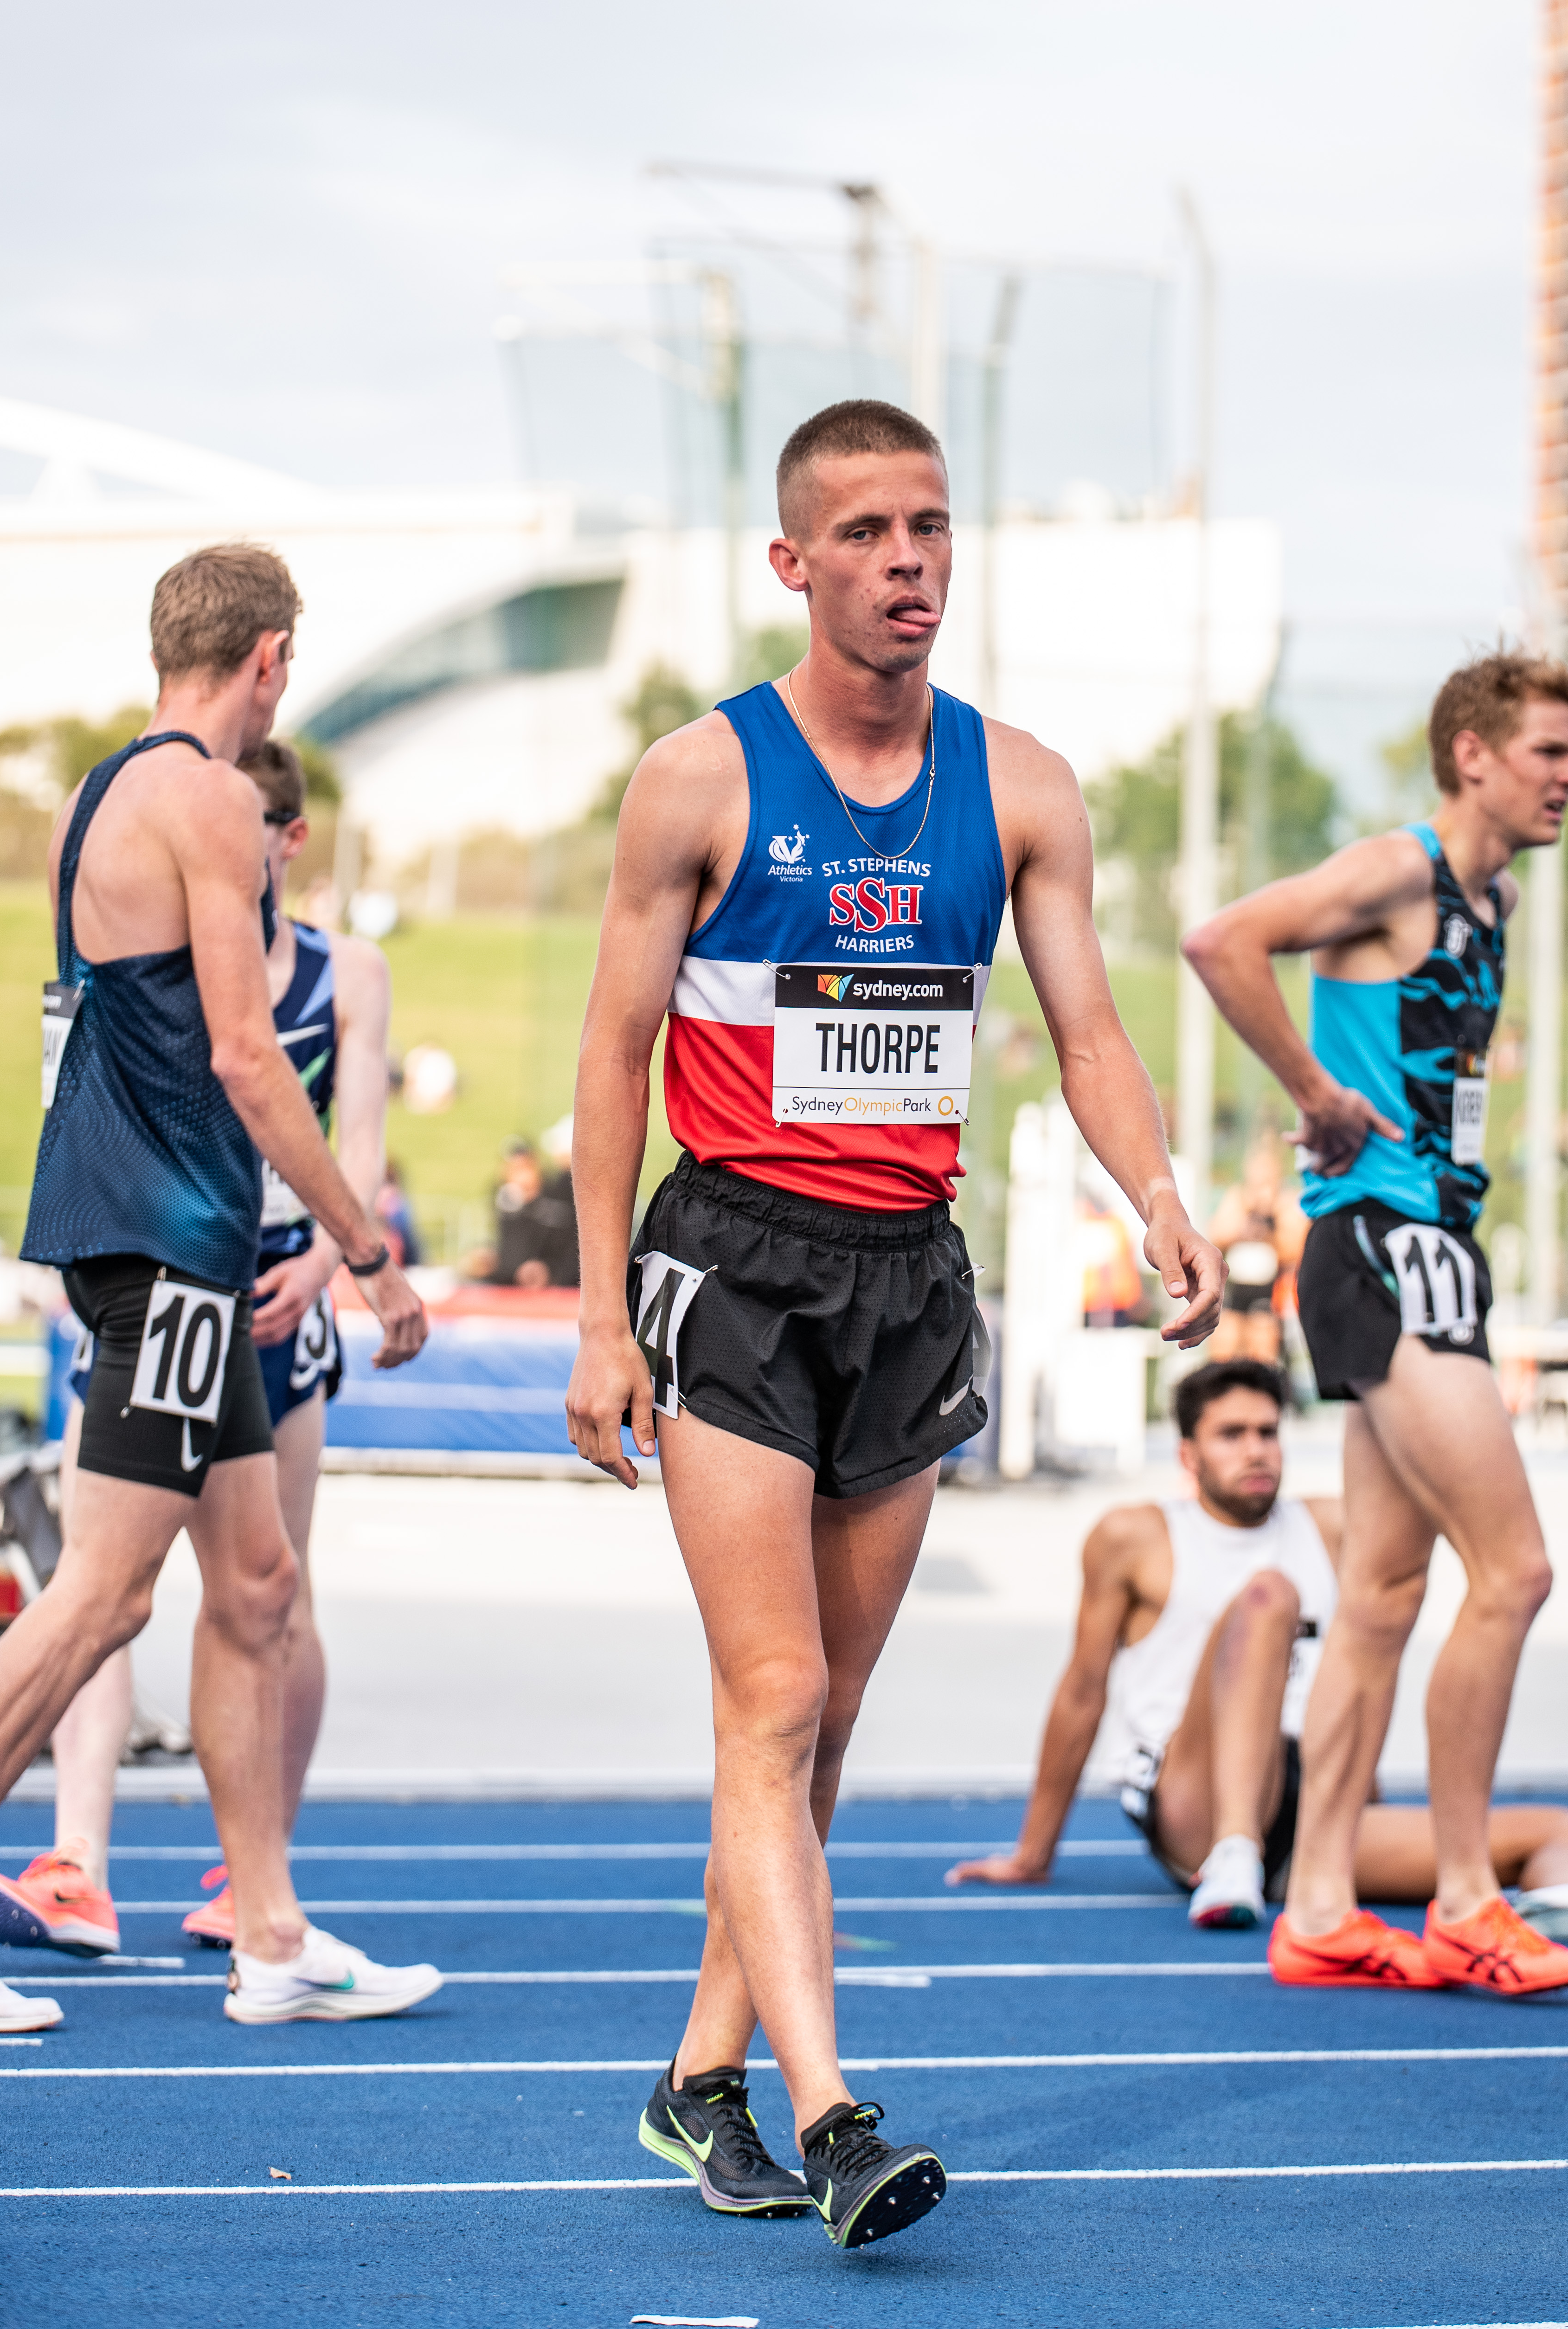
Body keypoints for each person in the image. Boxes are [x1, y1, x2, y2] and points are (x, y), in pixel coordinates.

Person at [566, 399, 1224, 2246]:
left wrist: (1155, 1195)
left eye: (927, 525)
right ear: (792, 562)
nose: (905, 559)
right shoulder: (697, 780)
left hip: (907, 1278)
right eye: (861, 532)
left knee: (819, 1719)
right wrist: (603, 1317)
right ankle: (832, 2112)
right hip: (733, 1264)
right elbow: (613, 1049)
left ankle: (694, 2081)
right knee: (770, 1696)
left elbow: (1088, 1032)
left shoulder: (1019, 788)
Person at [0, 544, 437, 2036]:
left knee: (259, 1580)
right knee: (103, 1592)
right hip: (169, 1245)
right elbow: (243, 1054)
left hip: (170, 1242)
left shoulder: (100, 793)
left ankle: (272, 1929)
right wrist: (367, 1245)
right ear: (273, 657)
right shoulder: (213, 799)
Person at [1186, 649, 1568, 1996]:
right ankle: (1471, 1893)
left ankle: (1316, 1901)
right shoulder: (1400, 868)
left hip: (1433, 1249)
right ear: (1472, 752)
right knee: (1516, 1570)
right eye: (1548, 750)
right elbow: (1220, 938)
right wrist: (1310, 1085)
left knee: (1378, 1593)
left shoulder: (1487, 900)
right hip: (1383, 1248)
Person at [945, 1359, 1568, 1944]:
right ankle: (1234, 1856)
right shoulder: (1136, 1537)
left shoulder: (1330, 1526)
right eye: (1231, 1435)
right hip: (1195, 1799)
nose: (1256, 1451)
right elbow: (1083, 1690)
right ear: (1188, 1454)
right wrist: (1034, 1852)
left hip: (1314, 1806)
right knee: (1269, 1597)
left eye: (1268, 1432)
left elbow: (1390, 1612)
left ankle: (1553, 1910)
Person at [1202, 1134, 1307, 1365]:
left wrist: (1271, 1232)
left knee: (1263, 1347)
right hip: (1236, 1290)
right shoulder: (1237, 1198)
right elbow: (1216, 1236)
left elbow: (1295, 1250)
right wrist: (1244, 1227)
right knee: (1224, 1347)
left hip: (1269, 1294)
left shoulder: (1287, 1203)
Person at [470, 1139, 579, 1288]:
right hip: (511, 1287)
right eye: (515, 1169)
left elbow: (571, 1247)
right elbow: (508, 1251)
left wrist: (550, 1272)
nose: (522, 1177)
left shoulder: (558, 1198)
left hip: (557, 1287)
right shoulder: (506, 1202)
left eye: (525, 1168)